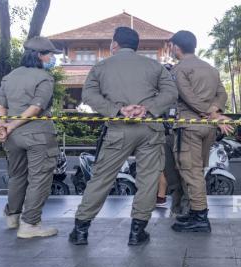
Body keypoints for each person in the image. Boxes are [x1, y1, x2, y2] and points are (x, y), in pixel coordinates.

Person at [68, 27, 178, 246]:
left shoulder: (101, 66)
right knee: (147, 180)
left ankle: (81, 230)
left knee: (101, 178)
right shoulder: (154, 66)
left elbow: (89, 95)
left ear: (114, 44)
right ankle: (137, 232)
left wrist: (117, 110)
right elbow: (171, 93)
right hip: (149, 129)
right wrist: (148, 108)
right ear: (136, 46)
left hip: (118, 129)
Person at [0, 36, 62, 238]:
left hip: (12, 137)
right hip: (38, 135)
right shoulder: (45, 77)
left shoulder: (10, 76)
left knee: (17, 176)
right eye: (50, 54)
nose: (52, 58)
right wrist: (12, 124)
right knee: (39, 178)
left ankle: (13, 217)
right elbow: (36, 107)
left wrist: (3, 126)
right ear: (39, 55)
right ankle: (30, 225)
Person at [169, 31, 233, 233]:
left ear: (176, 47)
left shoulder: (180, 69)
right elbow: (222, 93)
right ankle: (196, 212)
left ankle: (200, 216)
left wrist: (208, 113)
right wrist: (215, 111)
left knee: (191, 171)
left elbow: (187, 96)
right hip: (208, 129)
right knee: (198, 170)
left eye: (171, 46)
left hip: (189, 126)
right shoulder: (211, 69)